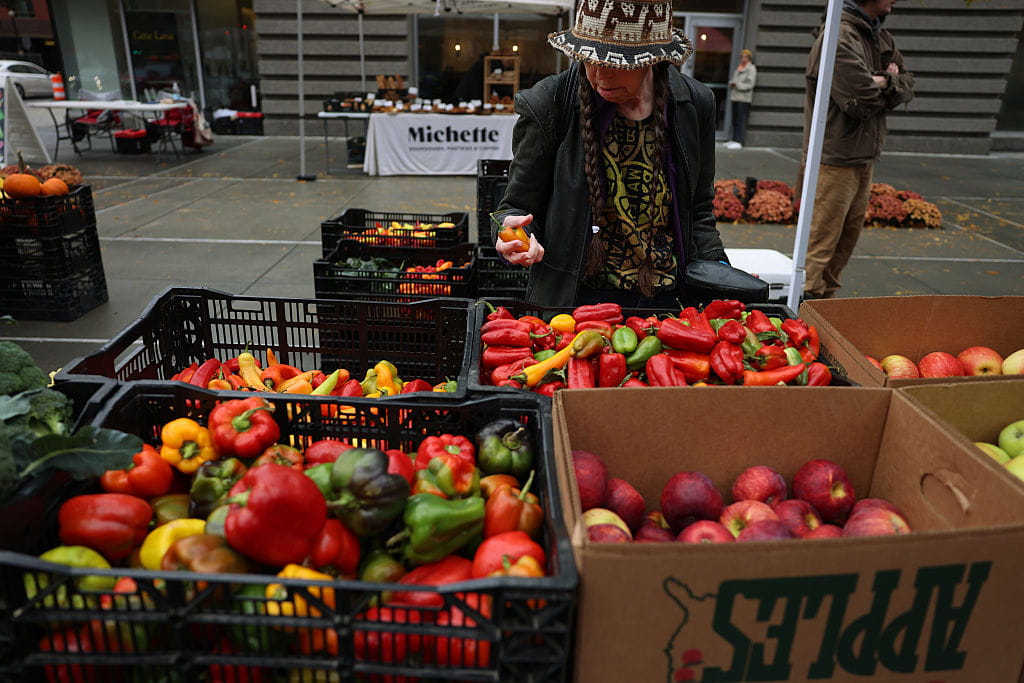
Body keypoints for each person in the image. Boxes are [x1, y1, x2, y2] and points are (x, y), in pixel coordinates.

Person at [490, 0, 730, 308]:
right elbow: (513, 207)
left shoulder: (695, 104)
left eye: (616, 64)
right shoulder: (548, 104)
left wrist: (718, 268)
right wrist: (513, 234)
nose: (601, 76)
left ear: (653, 60)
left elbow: (699, 210)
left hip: (670, 302)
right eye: (589, 59)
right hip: (576, 303)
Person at [800, 0, 914, 301]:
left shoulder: (878, 36)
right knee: (821, 245)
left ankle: (825, 309)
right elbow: (862, 102)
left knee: (845, 243)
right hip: (834, 158)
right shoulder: (838, 36)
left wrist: (884, 80)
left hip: (862, 156)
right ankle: (805, 309)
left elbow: (909, 82)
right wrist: (889, 81)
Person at [725, 49, 756, 149]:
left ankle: (739, 141)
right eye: (742, 56)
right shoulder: (739, 67)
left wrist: (736, 84)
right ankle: (734, 139)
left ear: (749, 58)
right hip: (735, 97)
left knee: (740, 120)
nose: (743, 58)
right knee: (735, 119)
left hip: (743, 99)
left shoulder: (751, 69)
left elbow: (750, 85)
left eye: (745, 56)